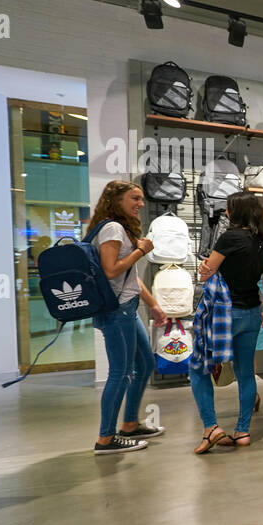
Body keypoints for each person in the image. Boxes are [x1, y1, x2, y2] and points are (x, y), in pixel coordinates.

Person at [189, 192, 263, 453]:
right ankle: (243, 431)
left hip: (225, 314)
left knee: (199, 367)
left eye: (228, 209)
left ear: (236, 213)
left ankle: (211, 427)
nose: (225, 213)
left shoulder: (230, 237)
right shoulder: (262, 242)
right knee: (245, 372)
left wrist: (204, 269)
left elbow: (207, 272)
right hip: (251, 313)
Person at [90, 181, 167, 454]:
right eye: (135, 198)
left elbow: (129, 276)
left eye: (142, 199)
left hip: (127, 308)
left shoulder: (120, 228)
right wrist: (140, 250)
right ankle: (106, 439)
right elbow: (111, 270)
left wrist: (153, 305)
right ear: (117, 199)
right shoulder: (112, 228)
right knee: (120, 373)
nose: (141, 204)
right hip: (116, 311)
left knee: (145, 364)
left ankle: (131, 423)